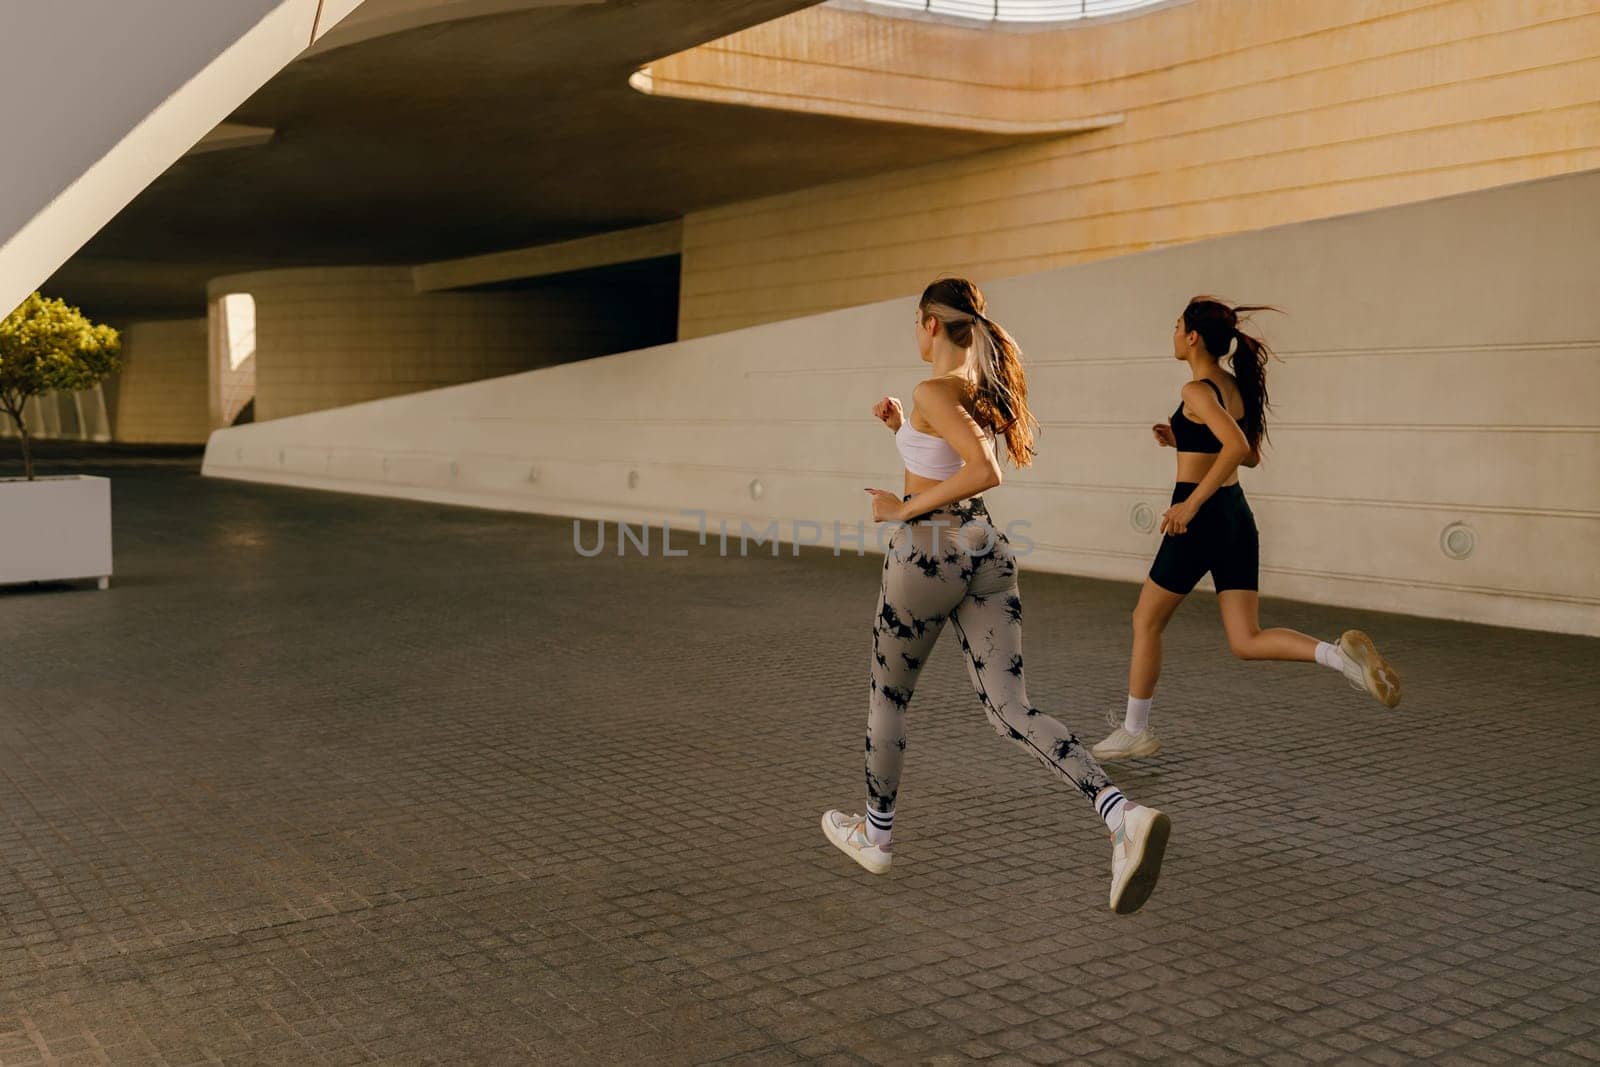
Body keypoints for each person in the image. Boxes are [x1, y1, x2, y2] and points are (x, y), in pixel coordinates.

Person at [820, 277, 1168, 915]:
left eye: (915, 323)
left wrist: (901, 511)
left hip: (927, 551)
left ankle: (876, 834)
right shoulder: (971, 391)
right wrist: (902, 429)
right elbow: (951, 464)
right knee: (1012, 709)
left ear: (930, 323)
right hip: (985, 550)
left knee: (889, 697)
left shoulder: (934, 388)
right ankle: (1123, 816)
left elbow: (985, 470)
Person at [1092, 297, 1402, 764]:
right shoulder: (1231, 387)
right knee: (1246, 639)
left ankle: (1136, 731)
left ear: (1193, 336)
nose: (1174, 332)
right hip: (1236, 515)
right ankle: (1343, 659)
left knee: (1145, 620)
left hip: (1203, 517)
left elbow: (1236, 447)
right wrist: (1181, 438)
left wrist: (1189, 506)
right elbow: (1248, 454)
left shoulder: (1196, 389)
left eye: (1178, 325)